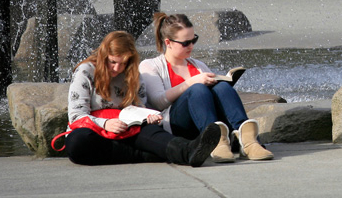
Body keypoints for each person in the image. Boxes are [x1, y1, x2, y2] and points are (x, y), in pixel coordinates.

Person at [63, 30, 223, 166]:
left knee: (151, 131)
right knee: (77, 143)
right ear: (104, 55)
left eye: (123, 63)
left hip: (126, 129)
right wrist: (106, 123)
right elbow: (76, 116)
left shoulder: (133, 75)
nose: (117, 68)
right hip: (95, 130)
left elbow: (139, 108)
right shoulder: (86, 71)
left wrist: (148, 117)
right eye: (112, 62)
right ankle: (147, 155)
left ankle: (187, 150)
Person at [140, 12, 274, 162]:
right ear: (168, 42)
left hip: (204, 120)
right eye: (185, 43)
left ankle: (248, 140)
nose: (191, 46)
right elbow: (159, 101)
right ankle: (215, 141)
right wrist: (191, 82)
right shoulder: (150, 66)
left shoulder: (198, 65)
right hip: (175, 124)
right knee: (197, 89)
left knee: (222, 87)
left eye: (194, 40)